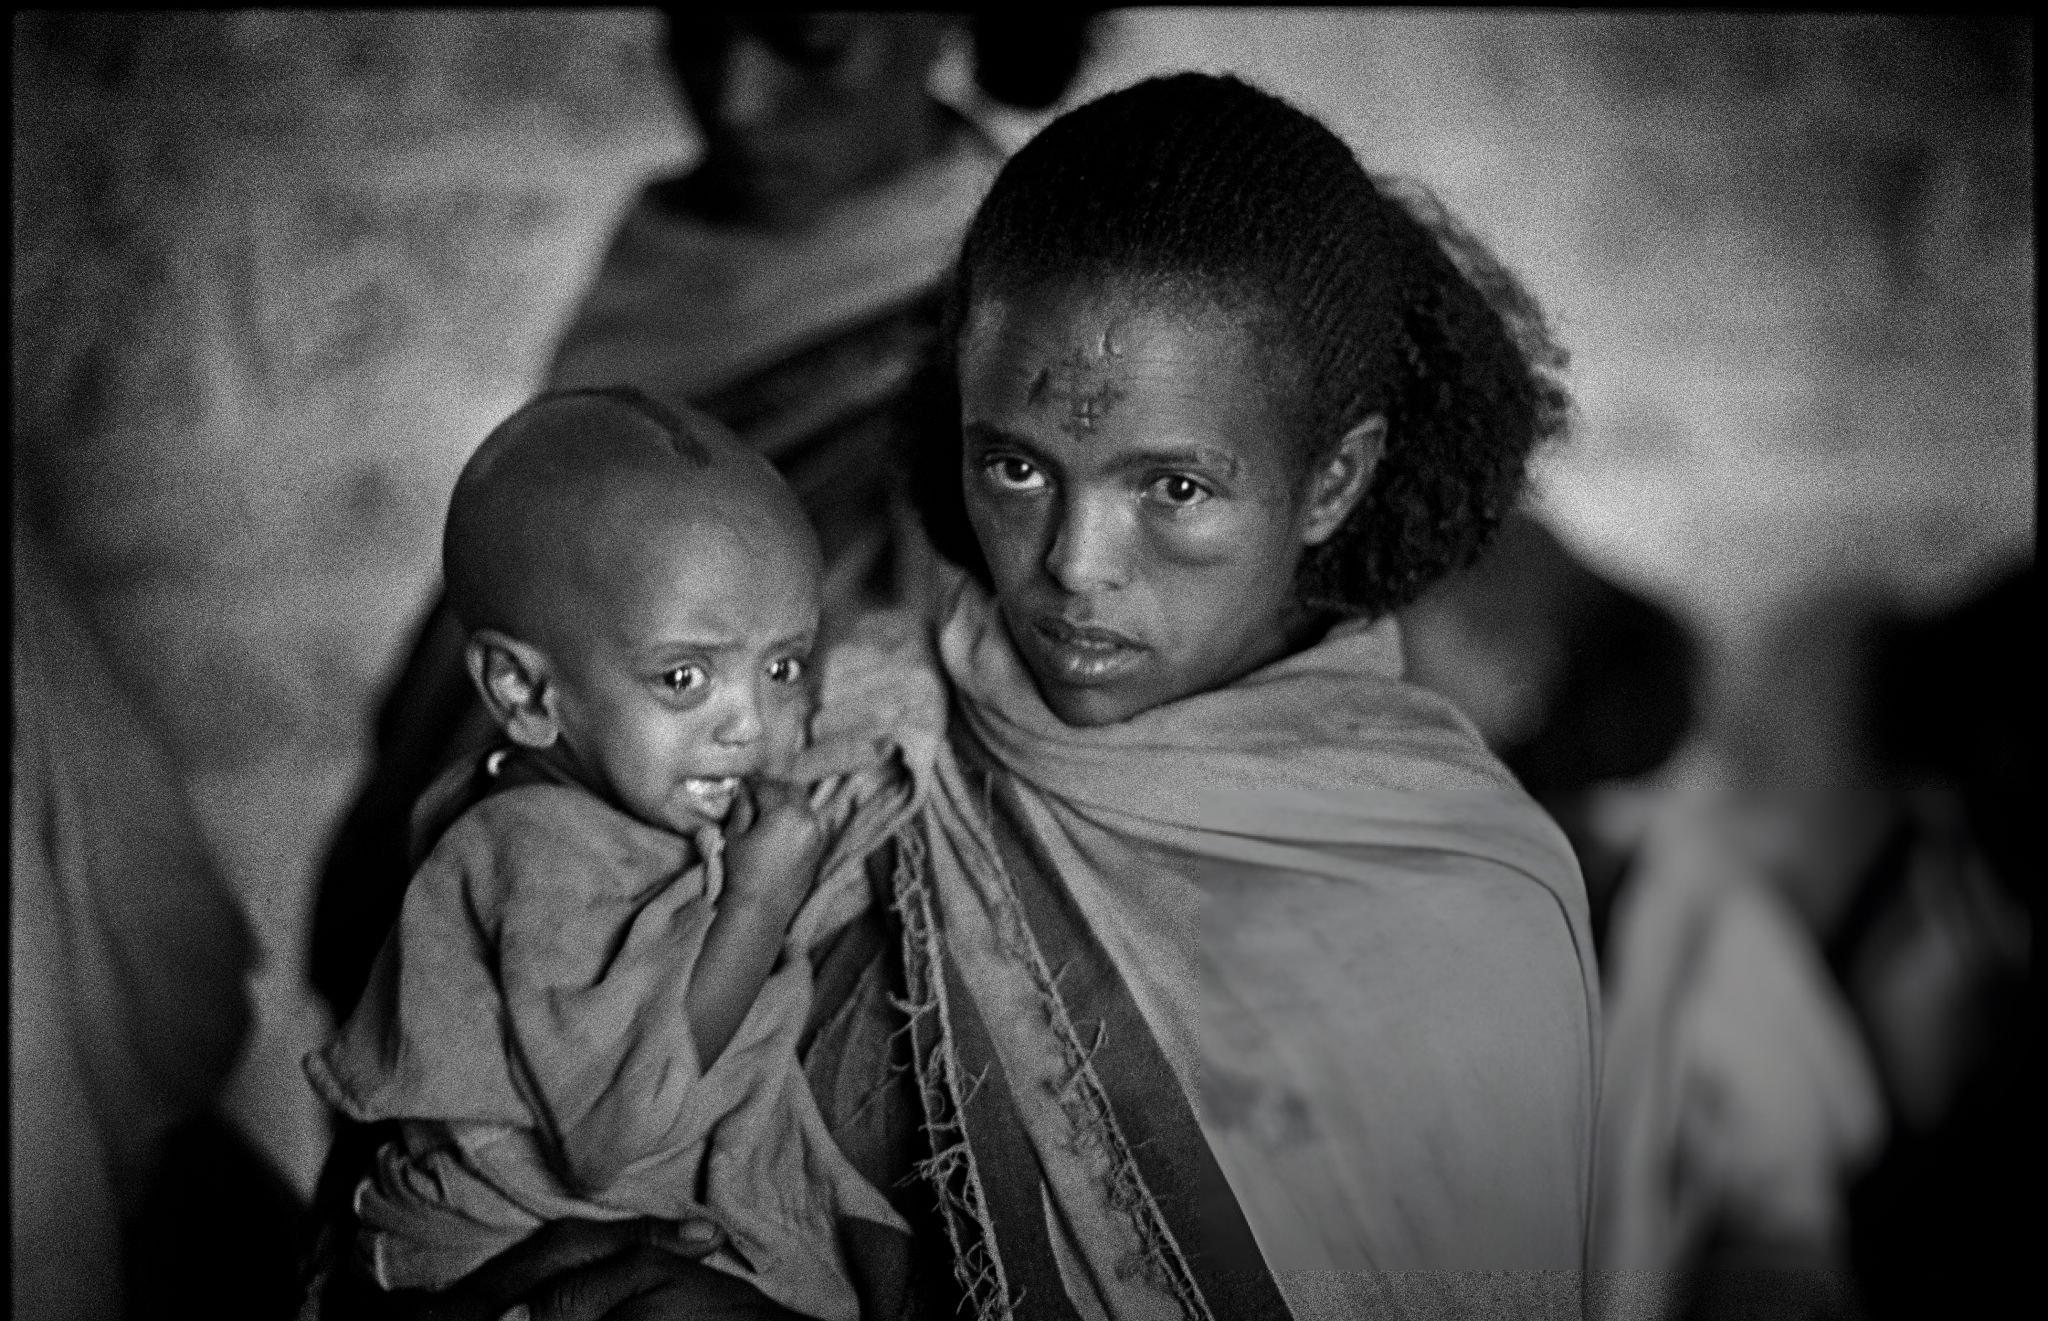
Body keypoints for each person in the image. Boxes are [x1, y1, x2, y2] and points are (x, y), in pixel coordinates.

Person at [305, 71, 1594, 1320]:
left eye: (1175, 490)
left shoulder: (1451, 912)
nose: (1074, 567)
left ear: (1329, 481)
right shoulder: (850, 730)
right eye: (1019, 469)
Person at [309, 10, 1097, 1046]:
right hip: (483, 886)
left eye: (808, 42)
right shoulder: (664, 244)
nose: (735, 104)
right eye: (694, 34)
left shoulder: (1003, 312)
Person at [304, 388, 939, 1320]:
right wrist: (758, 903)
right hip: (517, 1245)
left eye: (785, 667)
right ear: (522, 690)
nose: (753, 726)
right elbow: (614, 1125)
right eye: (684, 678)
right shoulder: (534, 850)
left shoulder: (630, 800)